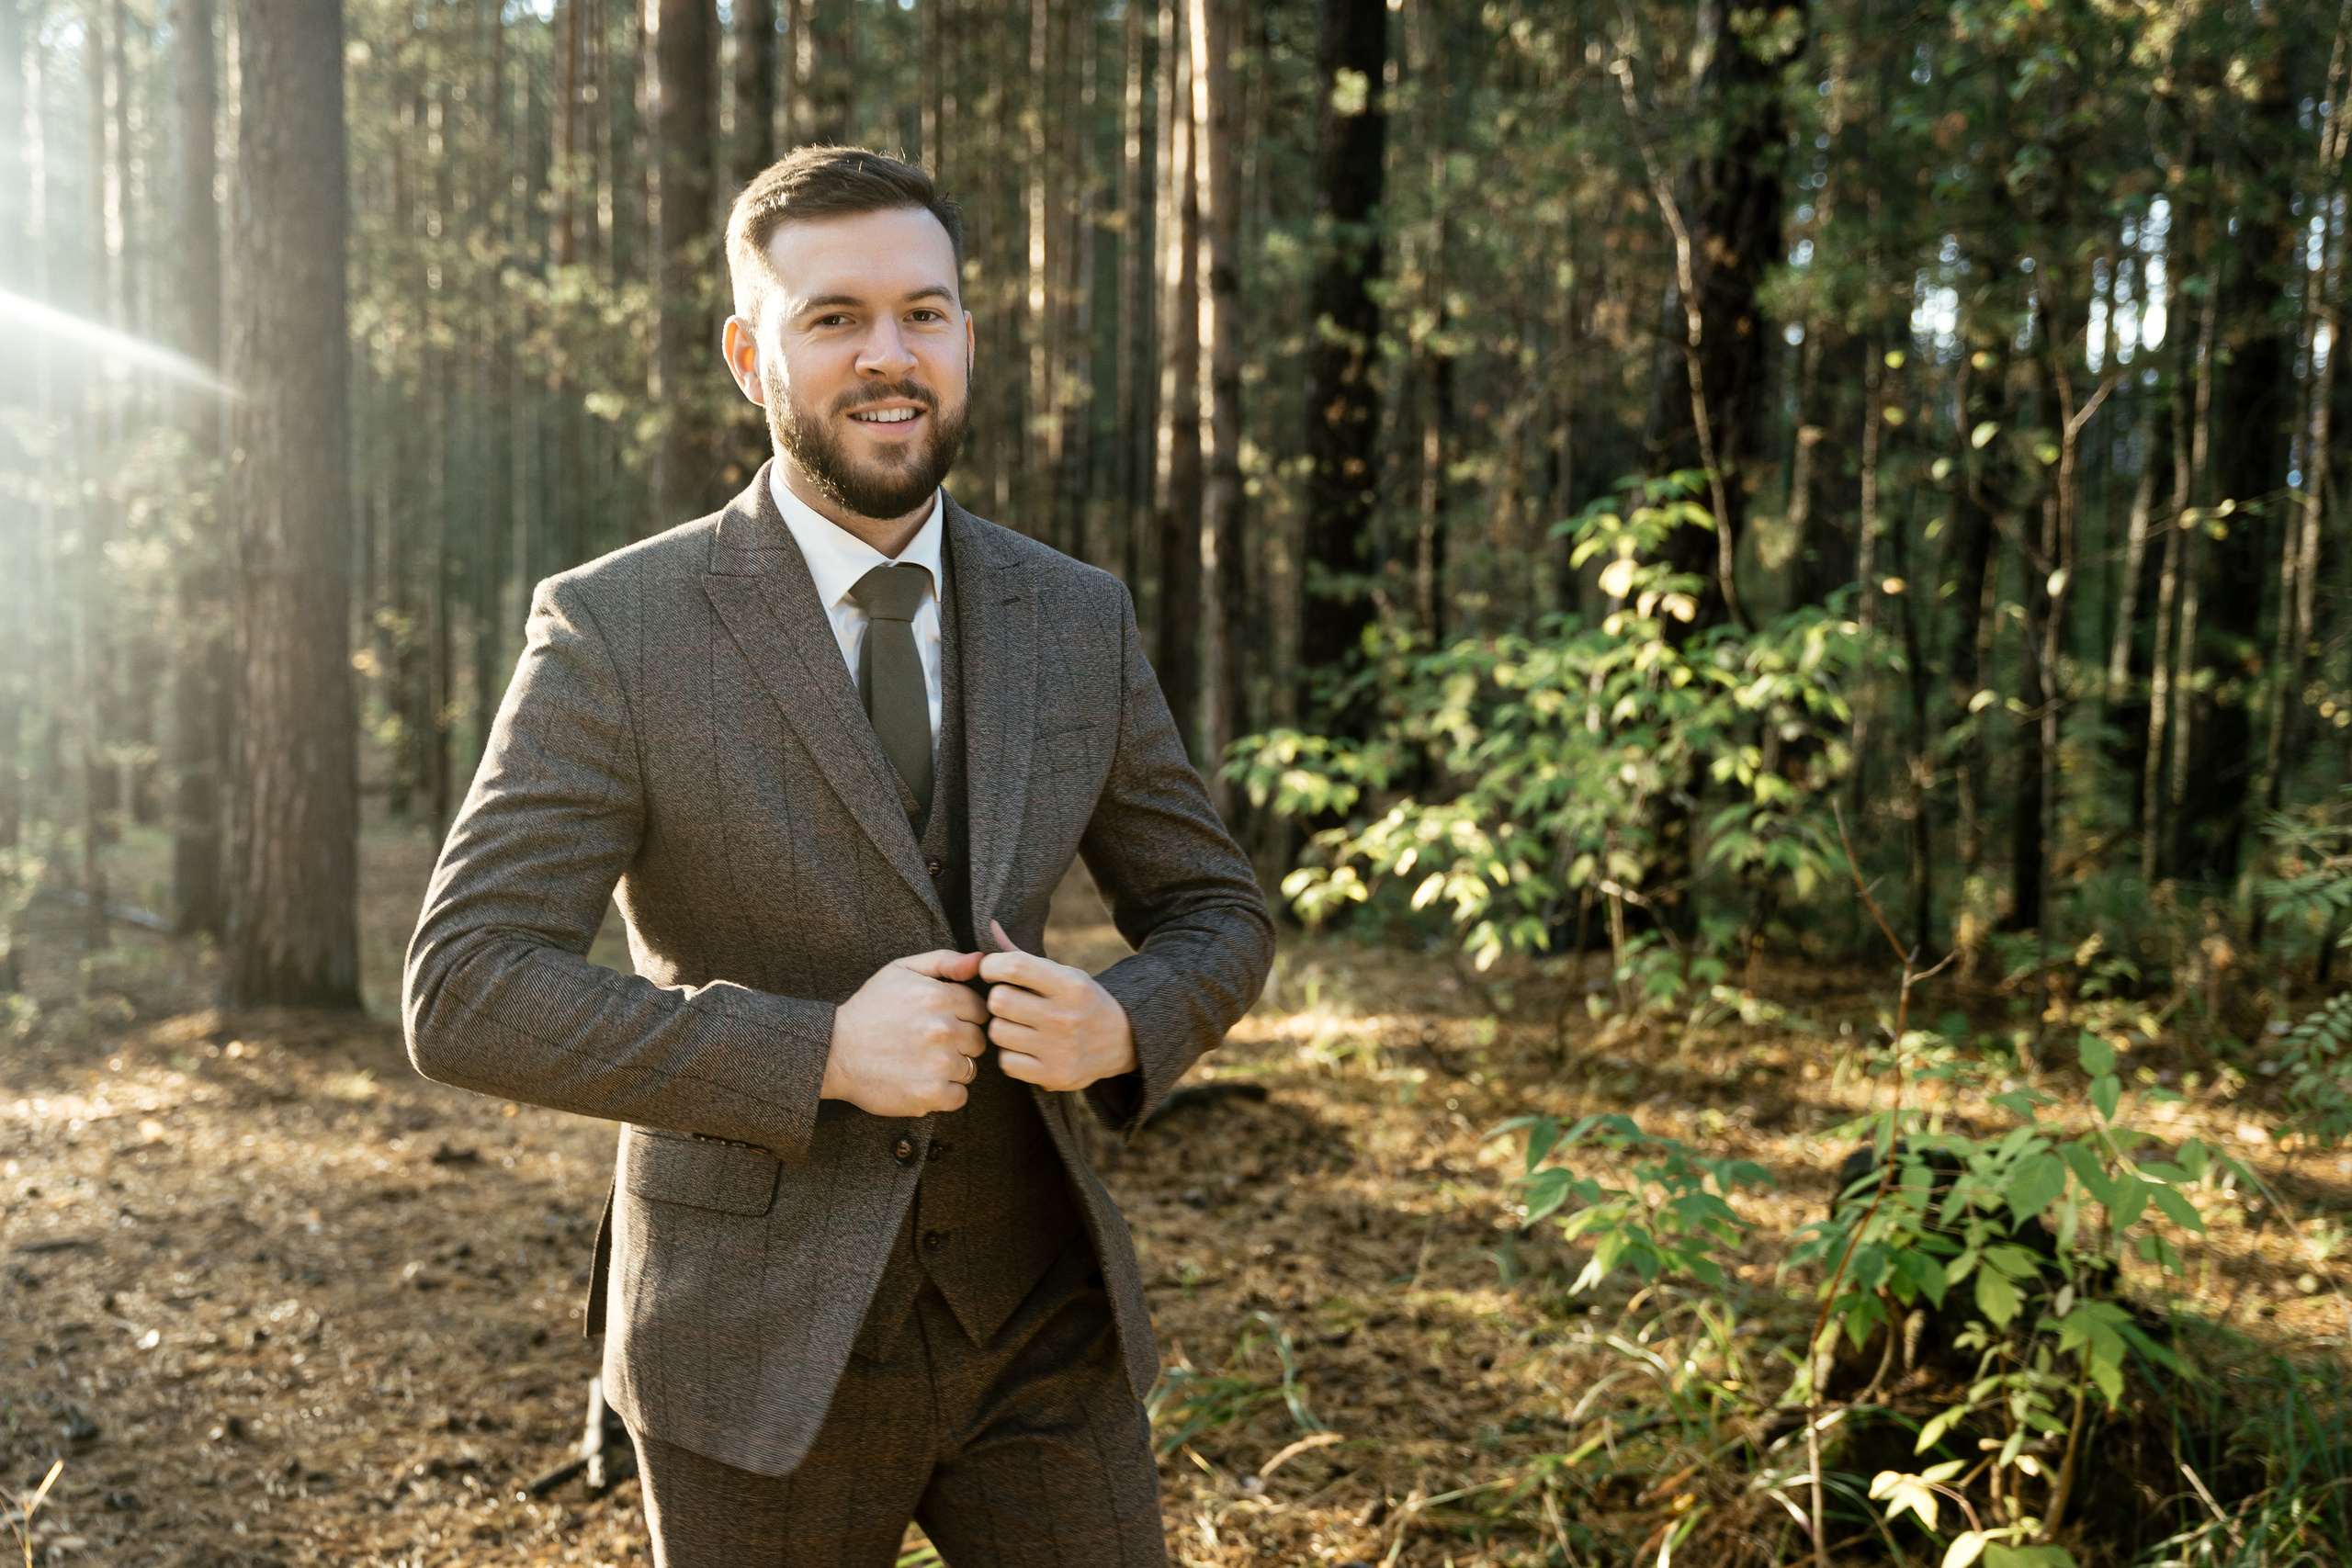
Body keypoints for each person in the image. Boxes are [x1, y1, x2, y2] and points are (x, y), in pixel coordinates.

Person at [401, 145, 1273, 1566]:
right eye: (835, 318)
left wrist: (1127, 1021)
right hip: (748, 1350)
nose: (889, 356)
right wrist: (814, 1054)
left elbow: (1215, 907)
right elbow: (465, 987)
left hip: (1041, 1325)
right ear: (751, 355)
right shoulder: (616, 629)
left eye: (925, 313)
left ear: (967, 338)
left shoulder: (1078, 617)